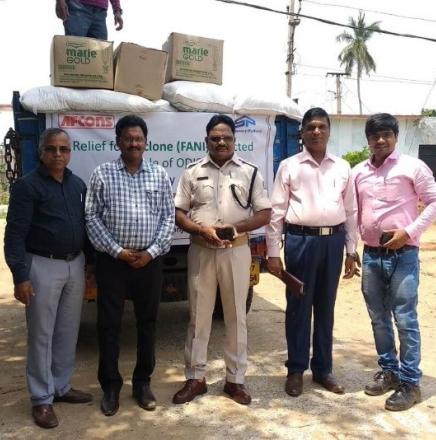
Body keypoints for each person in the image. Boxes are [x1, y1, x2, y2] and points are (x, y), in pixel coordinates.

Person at [172, 114, 271, 405]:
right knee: (198, 316)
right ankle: (195, 378)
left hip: (236, 251)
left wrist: (235, 229)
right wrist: (202, 229)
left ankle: (235, 381)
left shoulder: (249, 172)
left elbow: (264, 213)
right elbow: (179, 214)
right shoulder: (192, 172)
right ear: (207, 141)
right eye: (215, 137)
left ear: (234, 140)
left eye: (226, 136)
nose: (221, 141)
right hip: (201, 250)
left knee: (236, 317)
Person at [353, 113, 436, 411]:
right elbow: (354, 213)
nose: (380, 140)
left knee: (405, 319)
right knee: (378, 319)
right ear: (368, 139)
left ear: (395, 136)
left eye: (386, 134)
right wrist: (350, 249)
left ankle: (410, 383)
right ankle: (389, 372)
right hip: (371, 255)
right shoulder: (359, 172)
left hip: (403, 255)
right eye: (374, 135)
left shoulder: (413, 167)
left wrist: (409, 232)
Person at [85, 115, 174, 416]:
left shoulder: (159, 175)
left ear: (146, 142)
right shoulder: (102, 174)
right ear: (118, 142)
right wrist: (117, 251)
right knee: (108, 325)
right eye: (128, 138)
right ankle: (110, 387)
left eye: (139, 138)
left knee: (147, 324)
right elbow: (92, 217)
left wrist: (150, 252)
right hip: (113, 262)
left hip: (149, 262)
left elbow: (168, 218)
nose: (134, 143)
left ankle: (142, 383)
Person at [266, 107, 358, 398]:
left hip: (333, 242)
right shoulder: (289, 166)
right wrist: (272, 252)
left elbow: (351, 211)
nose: (316, 131)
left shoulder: (343, 167)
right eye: (311, 127)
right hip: (300, 242)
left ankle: (323, 370)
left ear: (329, 131)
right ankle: (295, 370)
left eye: (321, 126)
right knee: (298, 307)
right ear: (302, 133)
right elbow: (276, 212)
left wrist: (351, 250)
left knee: (325, 308)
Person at [4, 128, 93, 429]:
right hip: (42, 265)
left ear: (70, 152)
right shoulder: (27, 187)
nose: (58, 154)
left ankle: (61, 386)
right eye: (52, 149)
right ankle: (42, 398)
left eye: (64, 149)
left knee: (67, 331)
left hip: (74, 264)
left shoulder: (77, 185)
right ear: (42, 151)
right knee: (41, 334)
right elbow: (14, 235)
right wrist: (20, 276)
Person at [55, 0, 123, 40]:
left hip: (100, 13)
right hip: (77, 6)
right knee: (74, 51)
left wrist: (117, 10)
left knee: (100, 57)